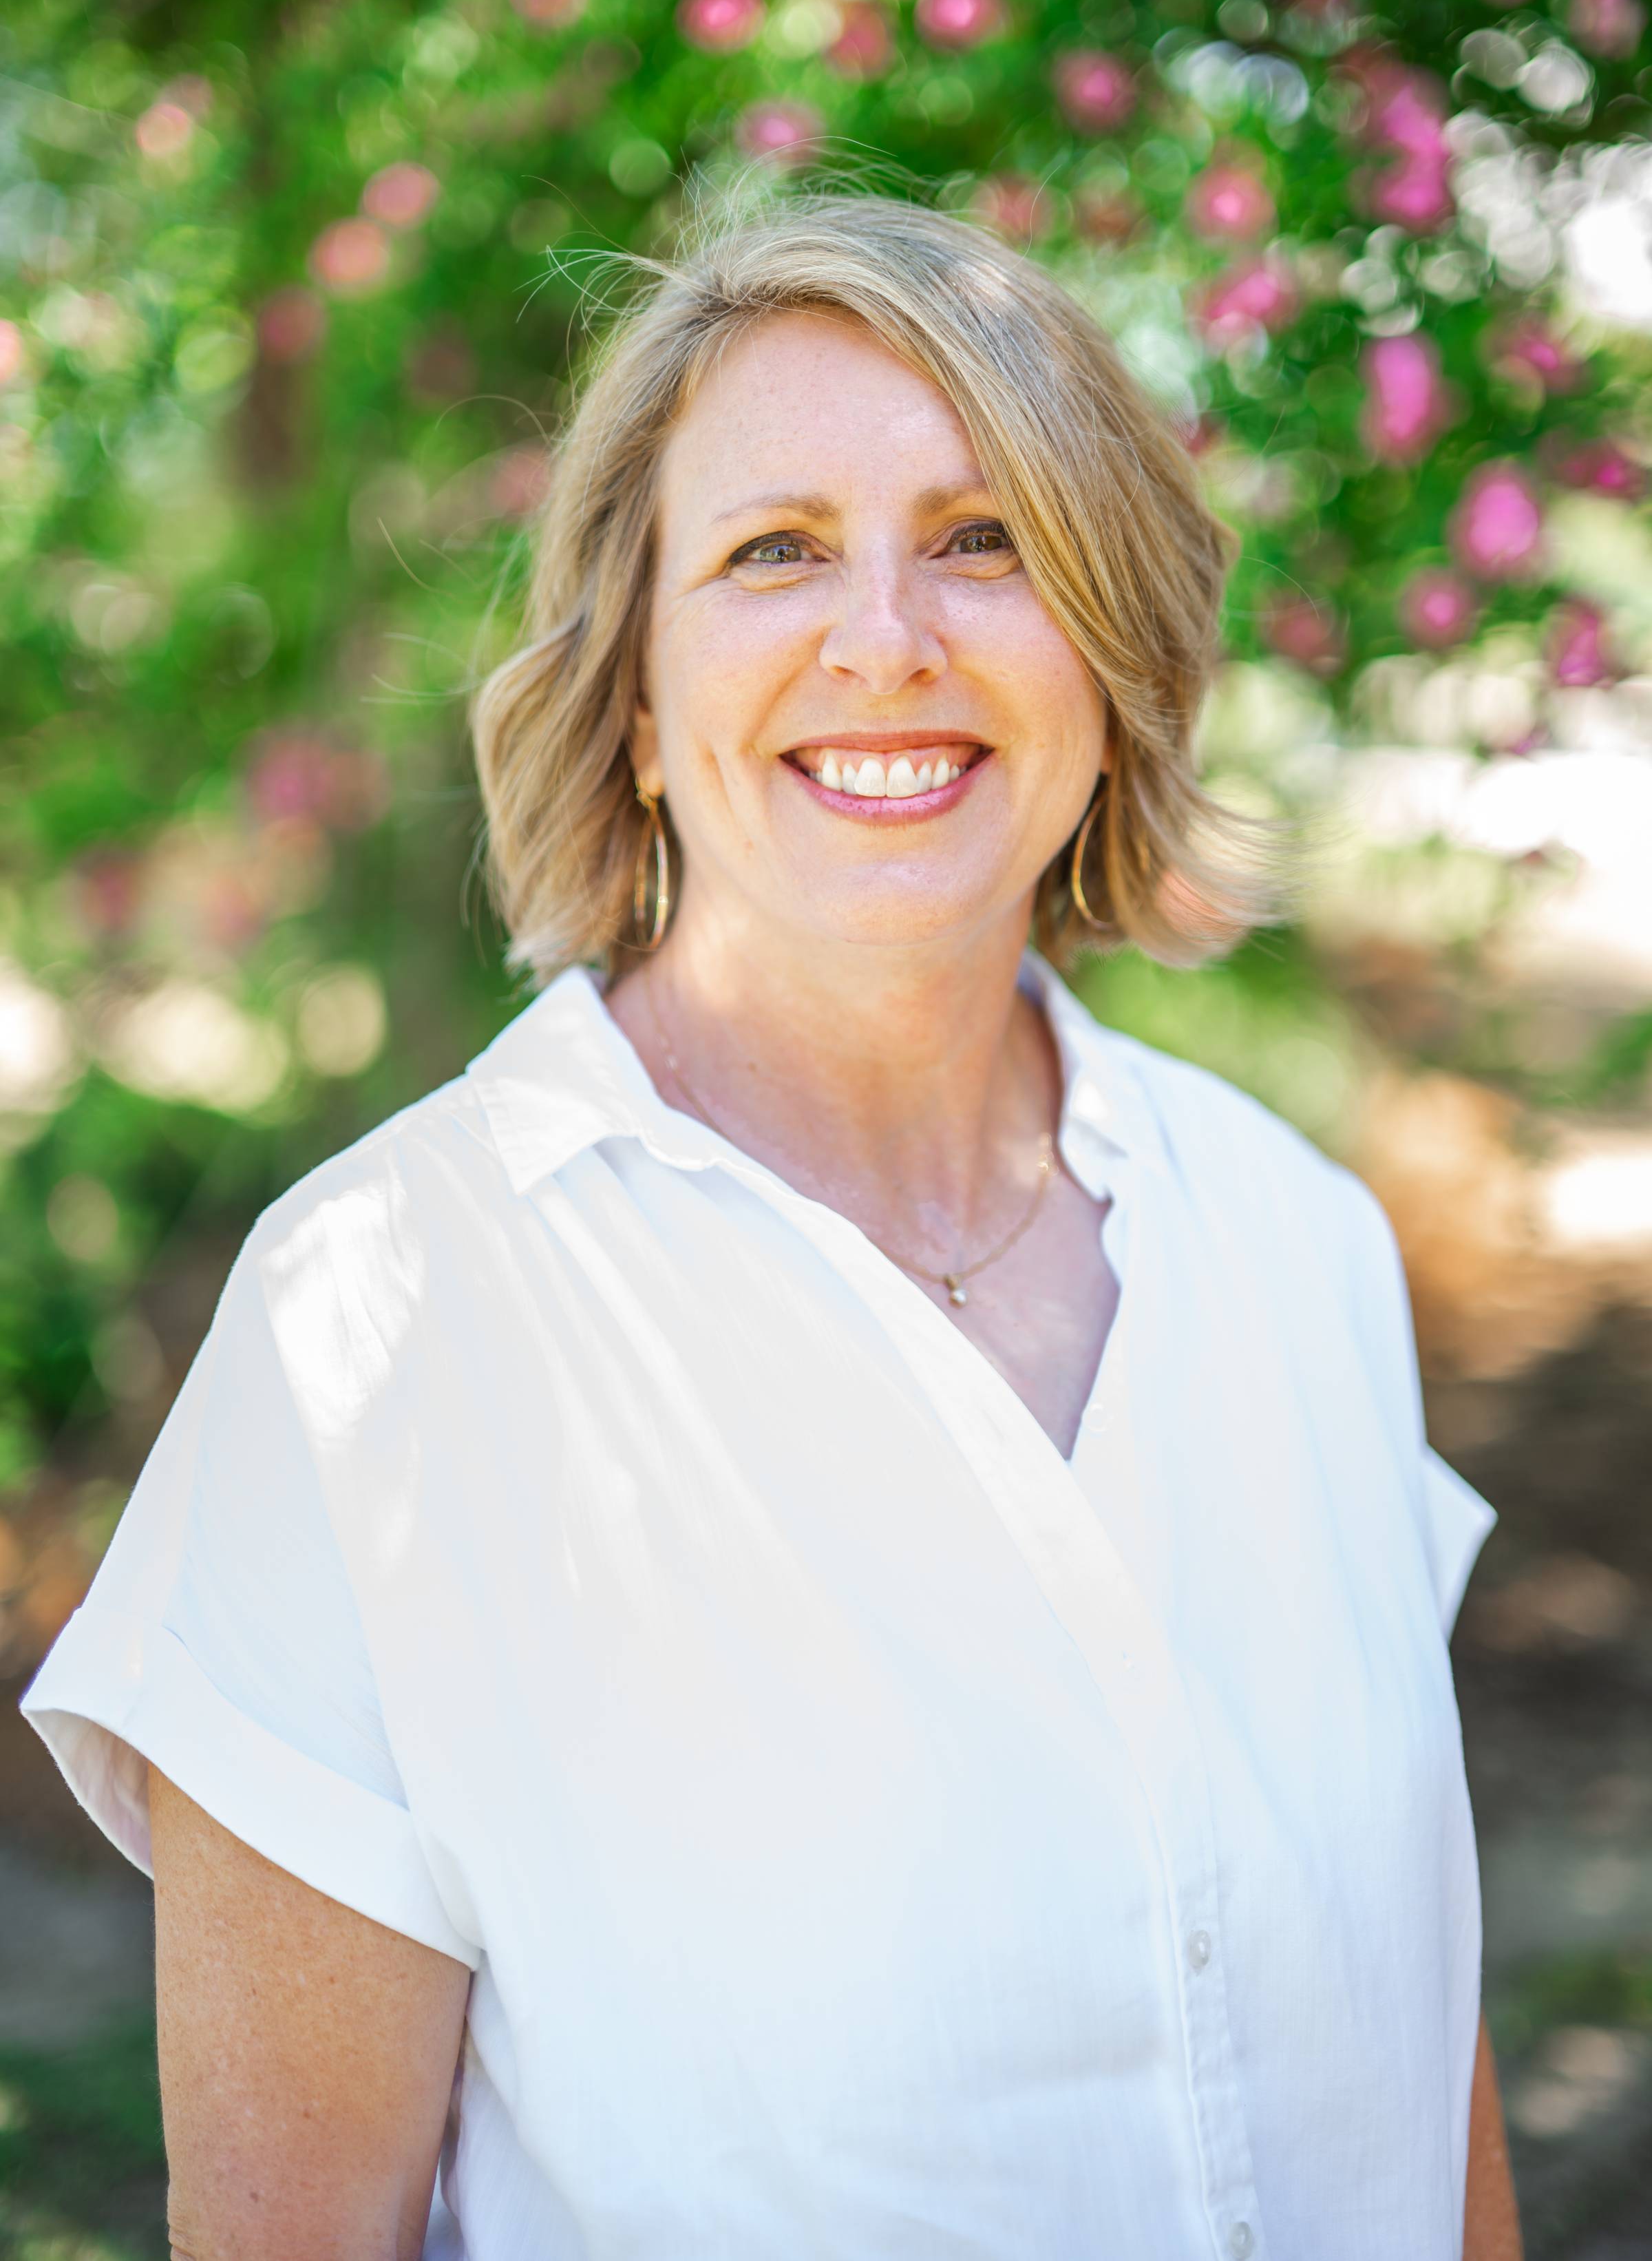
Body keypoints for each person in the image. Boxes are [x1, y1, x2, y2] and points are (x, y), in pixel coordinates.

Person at [23, 193, 1519, 2261]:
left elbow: (1433, 2114)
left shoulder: (1296, 1241)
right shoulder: (380, 1325)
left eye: (986, 539)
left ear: (1111, 657)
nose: (886, 638)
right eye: (774, 552)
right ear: (636, 697)